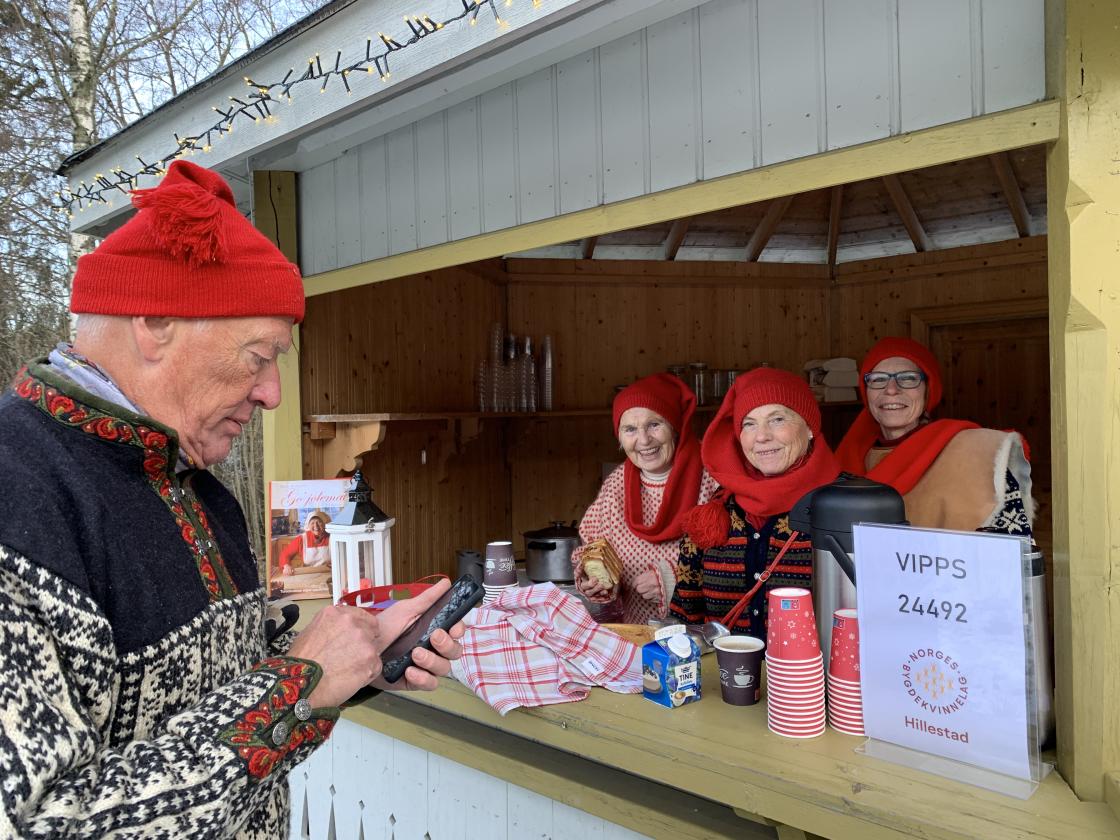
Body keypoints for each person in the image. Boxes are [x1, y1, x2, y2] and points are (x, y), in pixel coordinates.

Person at [0, 160, 462, 838]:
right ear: (156, 322)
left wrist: (356, 661)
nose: (272, 392)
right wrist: (297, 684)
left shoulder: (196, 487)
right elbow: (40, 822)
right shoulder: (18, 496)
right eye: (258, 355)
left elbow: (217, 696)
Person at [671, 368, 841, 638]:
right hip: (724, 677)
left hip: (811, 679)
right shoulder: (717, 510)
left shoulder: (844, 505)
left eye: (777, 419)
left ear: (809, 427)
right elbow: (685, 614)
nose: (761, 436)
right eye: (749, 424)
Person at [834, 336, 1033, 536]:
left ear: (928, 390)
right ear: (866, 392)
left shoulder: (973, 450)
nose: (891, 390)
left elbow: (1011, 544)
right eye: (878, 379)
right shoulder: (846, 463)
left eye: (908, 378)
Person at [571, 374, 719, 624]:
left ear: (674, 426)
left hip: (705, 635)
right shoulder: (616, 485)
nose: (643, 440)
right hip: (640, 637)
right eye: (630, 429)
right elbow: (594, 550)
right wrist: (595, 580)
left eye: (654, 424)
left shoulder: (713, 478)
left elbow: (738, 563)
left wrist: (674, 580)